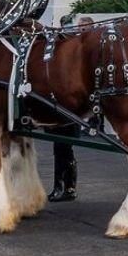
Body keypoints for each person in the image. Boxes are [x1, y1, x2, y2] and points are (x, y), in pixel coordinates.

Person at [49, 15, 94, 202]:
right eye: (80, 27)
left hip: (71, 109)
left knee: (63, 149)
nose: (81, 30)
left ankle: (66, 187)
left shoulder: (85, 50)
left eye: (85, 27)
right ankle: (64, 187)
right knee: (61, 149)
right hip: (64, 108)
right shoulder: (73, 44)